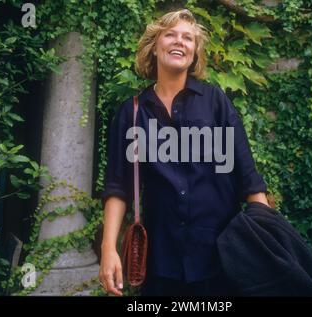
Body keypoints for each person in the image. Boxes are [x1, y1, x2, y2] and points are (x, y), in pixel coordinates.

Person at [99, 9, 270, 296]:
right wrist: (108, 248)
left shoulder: (215, 102)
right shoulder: (132, 112)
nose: (180, 42)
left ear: (194, 53)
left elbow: (249, 179)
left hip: (221, 259)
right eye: (170, 35)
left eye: (188, 38)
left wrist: (268, 241)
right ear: (155, 46)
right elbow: (118, 187)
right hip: (160, 264)